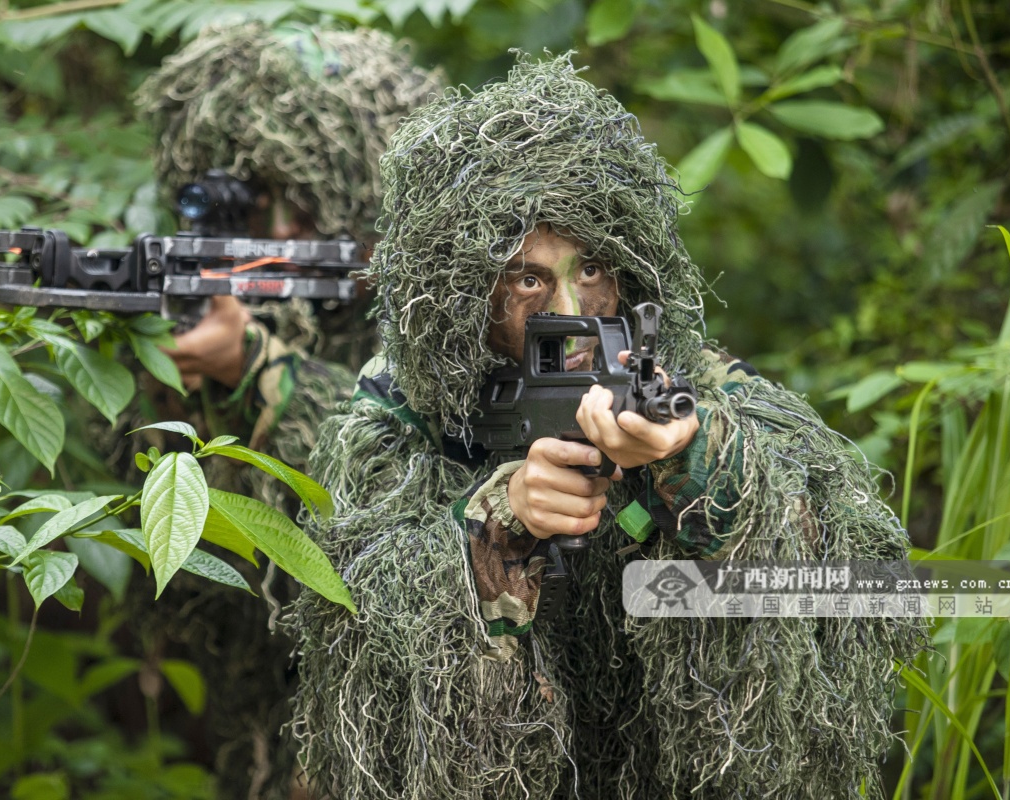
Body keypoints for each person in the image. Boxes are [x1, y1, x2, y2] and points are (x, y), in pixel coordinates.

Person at [289, 54, 927, 799]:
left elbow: (855, 579)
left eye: (592, 270)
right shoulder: (406, 404)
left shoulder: (693, 384)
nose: (569, 308)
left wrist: (691, 461)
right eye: (528, 278)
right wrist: (501, 519)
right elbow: (352, 631)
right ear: (463, 293)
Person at [120, 22, 442, 799]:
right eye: (259, 199)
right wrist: (177, 387)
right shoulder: (211, 286)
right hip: (262, 714)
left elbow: (416, 487)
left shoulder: (439, 308)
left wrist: (264, 370)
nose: (283, 229)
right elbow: (151, 536)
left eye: (306, 199)